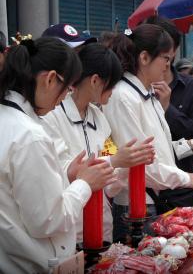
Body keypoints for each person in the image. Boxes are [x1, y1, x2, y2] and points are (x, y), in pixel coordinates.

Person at [0, 37, 115, 272]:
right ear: (50, 79)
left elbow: (26, 189)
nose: (65, 96)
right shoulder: (32, 132)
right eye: (67, 87)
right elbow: (47, 220)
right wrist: (85, 183)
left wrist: (68, 174)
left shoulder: (10, 120)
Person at [41, 43, 155, 244]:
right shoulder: (53, 116)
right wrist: (116, 161)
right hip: (68, 229)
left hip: (102, 227)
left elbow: (110, 181)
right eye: (111, 85)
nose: (113, 92)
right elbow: (62, 170)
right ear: (94, 81)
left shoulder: (99, 119)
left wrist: (130, 162)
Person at [105, 24, 193, 241]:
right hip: (137, 206)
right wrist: (185, 178)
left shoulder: (148, 93)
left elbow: (158, 149)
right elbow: (140, 162)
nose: (167, 66)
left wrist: (190, 144)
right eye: (165, 58)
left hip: (155, 199)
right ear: (144, 58)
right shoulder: (123, 96)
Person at [143, 16, 193, 208]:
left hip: (182, 189)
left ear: (172, 51)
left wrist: (166, 109)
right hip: (143, 192)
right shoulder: (130, 93)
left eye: (164, 50)